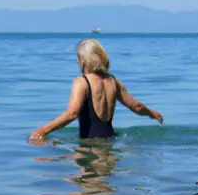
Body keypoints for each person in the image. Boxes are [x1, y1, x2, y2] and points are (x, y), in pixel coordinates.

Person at [29, 39, 163, 142]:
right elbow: (136, 106)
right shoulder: (113, 81)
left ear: (84, 59)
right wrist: (152, 113)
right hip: (110, 142)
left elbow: (72, 113)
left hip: (89, 147)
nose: (77, 62)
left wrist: (43, 131)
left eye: (78, 57)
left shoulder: (82, 82)